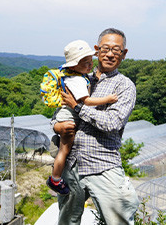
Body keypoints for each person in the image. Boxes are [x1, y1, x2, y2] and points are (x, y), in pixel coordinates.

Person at [51, 28, 140, 225]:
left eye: (116, 51)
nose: (110, 54)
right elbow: (58, 113)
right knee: (67, 221)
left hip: (103, 164)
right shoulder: (78, 78)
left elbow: (112, 123)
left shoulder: (124, 86)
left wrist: (78, 106)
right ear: (97, 50)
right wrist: (58, 127)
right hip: (71, 165)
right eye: (105, 49)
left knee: (119, 220)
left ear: (124, 54)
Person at [46, 40, 118, 195]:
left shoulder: (73, 76)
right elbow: (87, 101)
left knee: (64, 150)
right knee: (64, 151)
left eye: (90, 60)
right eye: (85, 62)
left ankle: (56, 174)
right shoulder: (77, 80)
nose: (90, 65)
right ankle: (55, 179)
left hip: (65, 117)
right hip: (68, 119)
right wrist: (108, 99)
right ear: (73, 66)